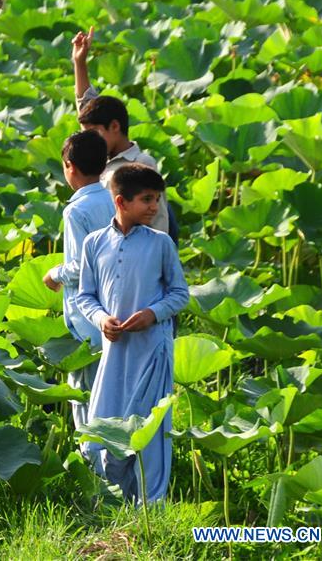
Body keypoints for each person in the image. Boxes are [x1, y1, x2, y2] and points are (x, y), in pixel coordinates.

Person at [75, 164, 189, 504]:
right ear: (121, 201)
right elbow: (85, 295)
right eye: (147, 200)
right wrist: (100, 319)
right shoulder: (95, 244)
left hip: (153, 349)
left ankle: (151, 507)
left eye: (157, 199)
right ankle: (114, 504)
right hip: (114, 353)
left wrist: (153, 314)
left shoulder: (161, 243)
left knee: (151, 431)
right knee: (107, 425)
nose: (155, 207)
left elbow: (180, 294)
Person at [72, 27, 179, 243]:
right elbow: (85, 104)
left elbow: (158, 226)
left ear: (114, 126)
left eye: (94, 132)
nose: (89, 140)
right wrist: (79, 62)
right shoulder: (98, 158)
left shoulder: (141, 164)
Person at [42, 130, 114, 431]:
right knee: (109, 396)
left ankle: (92, 462)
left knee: (84, 397)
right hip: (114, 311)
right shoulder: (114, 200)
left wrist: (54, 274)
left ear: (69, 166)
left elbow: (81, 266)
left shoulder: (76, 210)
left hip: (86, 321)